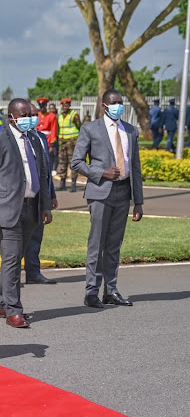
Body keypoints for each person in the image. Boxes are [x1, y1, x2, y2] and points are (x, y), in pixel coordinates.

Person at [0, 98, 52, 328]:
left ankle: (2, 304)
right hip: (7, 210)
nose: (28, 119)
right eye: (23, 116)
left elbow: (42, 173)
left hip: (32, 208)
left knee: (14, 258)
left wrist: (46, 205)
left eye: (29, 115)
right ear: (11, 117)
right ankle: (14, 310)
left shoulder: (33, 139)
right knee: (11, 260)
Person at [72, 90, 143, 308]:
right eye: (114, 103)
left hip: (123, 193)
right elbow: (76, 162)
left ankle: (110, 291)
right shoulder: (90, 129)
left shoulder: (130, 131)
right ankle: (91, 291)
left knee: (114, 245)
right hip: (101, 192)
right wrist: (101, 172)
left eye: (121, 103)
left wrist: (138, 201)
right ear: (104, 106)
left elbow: (136, 168)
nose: (118, 106)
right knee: (97, 244)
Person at [24, 102, 58, 285]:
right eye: (30, 115)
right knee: (17, 240)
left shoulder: (41, 138)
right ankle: (12, 277)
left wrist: (51, 195)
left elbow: (46, 170)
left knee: (36, 235)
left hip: (40, 195)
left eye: (35, 115)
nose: (33, 119)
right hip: (21, 197)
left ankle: (33, 272)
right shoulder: (15, 138)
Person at [56, 98, 81, 192]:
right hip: (62, 143)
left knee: (73, 163)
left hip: (72, 143)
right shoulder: (60, 116)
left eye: (67, 105)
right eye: (63, 105)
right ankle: (62, 183)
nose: (65, 107)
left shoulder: (74, 115)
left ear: (69, 105)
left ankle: (73, 184)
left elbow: (80, 127)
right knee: (62, 163)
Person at [36, 98, 57, 173]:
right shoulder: (37, 115)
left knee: (47, 158)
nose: (42, 108)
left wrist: (52, 144)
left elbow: (53, 129)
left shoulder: (52, 116)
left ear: (46, 106)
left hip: (47, 139)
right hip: (37, 138)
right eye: (40, 106)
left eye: (43, 106)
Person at [48, 102, 59, 172]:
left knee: (55, 154)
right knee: (50, 154)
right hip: (51, 138)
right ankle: (51, 168)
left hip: (57, 138)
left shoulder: (58, 117)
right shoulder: (48, 117)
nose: (51, 110)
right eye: (50, 109)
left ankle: (54, 168)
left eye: (53, 108)